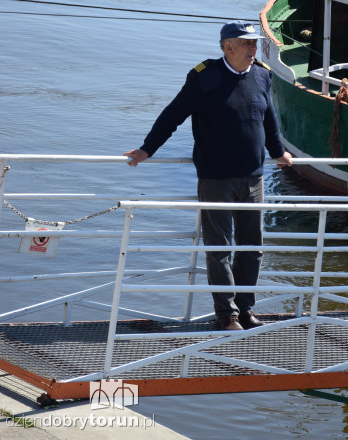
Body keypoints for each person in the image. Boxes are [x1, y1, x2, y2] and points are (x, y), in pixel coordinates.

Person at [125, 20, 292, 331]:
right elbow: (172, 115)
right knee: (220, 249)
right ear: (228, 47)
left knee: (252, 248)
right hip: (216, 178)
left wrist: (278, 151)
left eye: (255, 42)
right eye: (246, 43)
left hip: (253, 178)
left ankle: (245, 310)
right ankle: (226, 314)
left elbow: (269, 119)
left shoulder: (262, 75)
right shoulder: (204, 77)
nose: (253, 48)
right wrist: (148, 149)